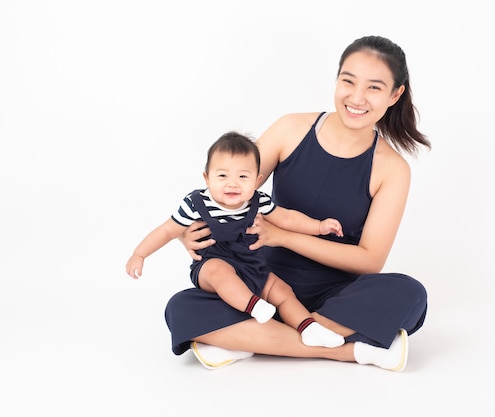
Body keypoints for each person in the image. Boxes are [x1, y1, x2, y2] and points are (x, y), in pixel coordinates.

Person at [166, 35, 430, 371]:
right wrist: (185, 233)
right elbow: (226, 193)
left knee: (409, 293)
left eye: (374, 88)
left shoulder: (392, 169)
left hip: (334, 293)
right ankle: (343, 349)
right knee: (181, 307)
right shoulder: (290, 128)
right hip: (260, 281)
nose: (357, 97)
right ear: (336, 80)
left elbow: (369, 261)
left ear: (395, 94)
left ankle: (248, 340)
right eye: (348, 81)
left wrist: (284, 236)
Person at [126, 132, 346, 357]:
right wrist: (139, 253)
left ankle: (308, 327)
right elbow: (167, 230)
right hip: (210, 267)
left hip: (252, 268)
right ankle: (254, 307)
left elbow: (287, 218)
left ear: (257, 180)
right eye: (222, 175)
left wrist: (319, 226)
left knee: (282, 290)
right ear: (207, 178)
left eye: (243, 177)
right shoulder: (196, 204)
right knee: (219, 271)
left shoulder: (258, 201)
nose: (232, 184)